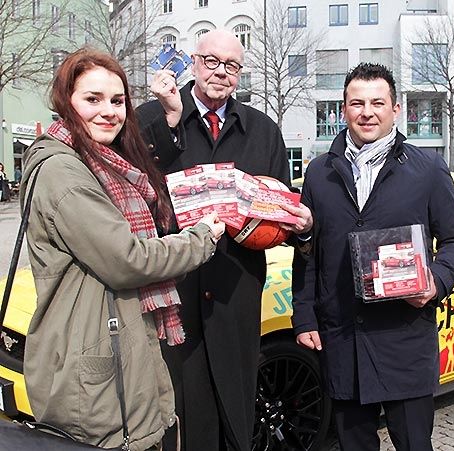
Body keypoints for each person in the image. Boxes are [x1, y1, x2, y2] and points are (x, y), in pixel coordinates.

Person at [19, 48, 225, 450]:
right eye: (92, 99)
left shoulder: (98, 162)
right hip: (95, 372)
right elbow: (128, 259)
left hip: (114, 353)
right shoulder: (64, 172)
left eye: (117, 101)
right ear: (66, 101)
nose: (108, 111)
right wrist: (203, 237)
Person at [136, 29, 312, 451]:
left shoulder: (263, 130)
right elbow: (135, 193)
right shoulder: (149, 117)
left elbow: (279, 213)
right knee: (182, 414)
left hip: (237, 294)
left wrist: (296, 223)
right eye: (211, 61)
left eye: (231, 65)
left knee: (236, 410)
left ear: (240, 73)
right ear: (192, 61)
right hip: (174, 295)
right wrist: (169, 124)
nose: (220, 72)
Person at [291, 63, 454, 451]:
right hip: (343, 337)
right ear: (343, 109)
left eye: (377, 102)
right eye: (357, 103)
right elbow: (308, 253)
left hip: (403, 335)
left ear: (396, 109)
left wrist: (435, 283)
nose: (366, 112)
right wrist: (304, 315)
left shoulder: (427, 170)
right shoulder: (319, 172)